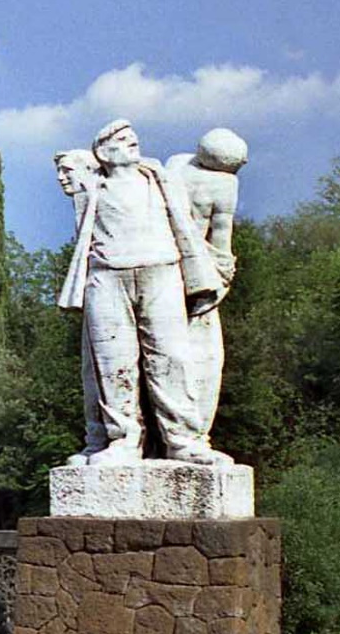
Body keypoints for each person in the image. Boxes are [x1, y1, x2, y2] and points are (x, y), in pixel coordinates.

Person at [56, 119, 231, 466]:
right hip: (106, 277)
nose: (132, 140)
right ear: (103, 152)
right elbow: (69, 169)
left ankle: (183, 441)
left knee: (171, 358)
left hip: (161, 272)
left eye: (131, 136)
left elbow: (210, 177)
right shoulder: (92, 186)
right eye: (121, 138)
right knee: (113, 363)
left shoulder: (160, 179)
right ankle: (122, 441)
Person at [166, 128, 247, 436]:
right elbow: (222, 239)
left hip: (167, 266)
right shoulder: (226, 183)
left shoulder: (175, 164)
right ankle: (192, 432)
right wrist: (222, 275)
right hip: (195, 272)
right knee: (199, 354)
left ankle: (187, 433)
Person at [54, 149, 106, 465]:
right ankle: (95, 440)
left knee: (108, 367)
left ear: (89, 169)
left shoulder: (105, 198)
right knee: (91, 371)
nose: (62, 178)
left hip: (111, 289)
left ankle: (109, 440)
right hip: (92, 296)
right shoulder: (81, 203)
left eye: (67, 171)